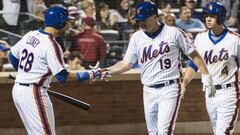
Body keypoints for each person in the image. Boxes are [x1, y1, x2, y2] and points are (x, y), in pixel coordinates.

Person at [99, 2, 214, 135]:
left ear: (155, 16)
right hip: (148, 90)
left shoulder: (174, 33)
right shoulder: (136, 37)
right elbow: (126, 63)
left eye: (144, 19)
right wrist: (106, 71)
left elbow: (194, 55)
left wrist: (206, 75)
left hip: (170, 88)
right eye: (139, 20)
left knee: (164, 131)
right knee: (153, 132)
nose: (141, 23)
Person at [8, 6, 100, 135]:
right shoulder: (51, 44)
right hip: (34, 93)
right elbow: (63, 77)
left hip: (20, 89)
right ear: (60, 22)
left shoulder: (31, 34)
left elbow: (12, 55)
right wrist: (92, 74)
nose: (68, 23)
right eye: (67, 20)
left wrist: (25, 75)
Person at [183, 2, 240, 135]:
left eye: (212, 16)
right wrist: (184, 82)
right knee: (217, 131)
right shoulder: (200, 38)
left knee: (222, 132)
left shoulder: (235, 39)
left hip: (229, 91)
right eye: (206, 15)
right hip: (209, 92)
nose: (208, 19)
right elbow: (193, 64)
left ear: (220, 18)